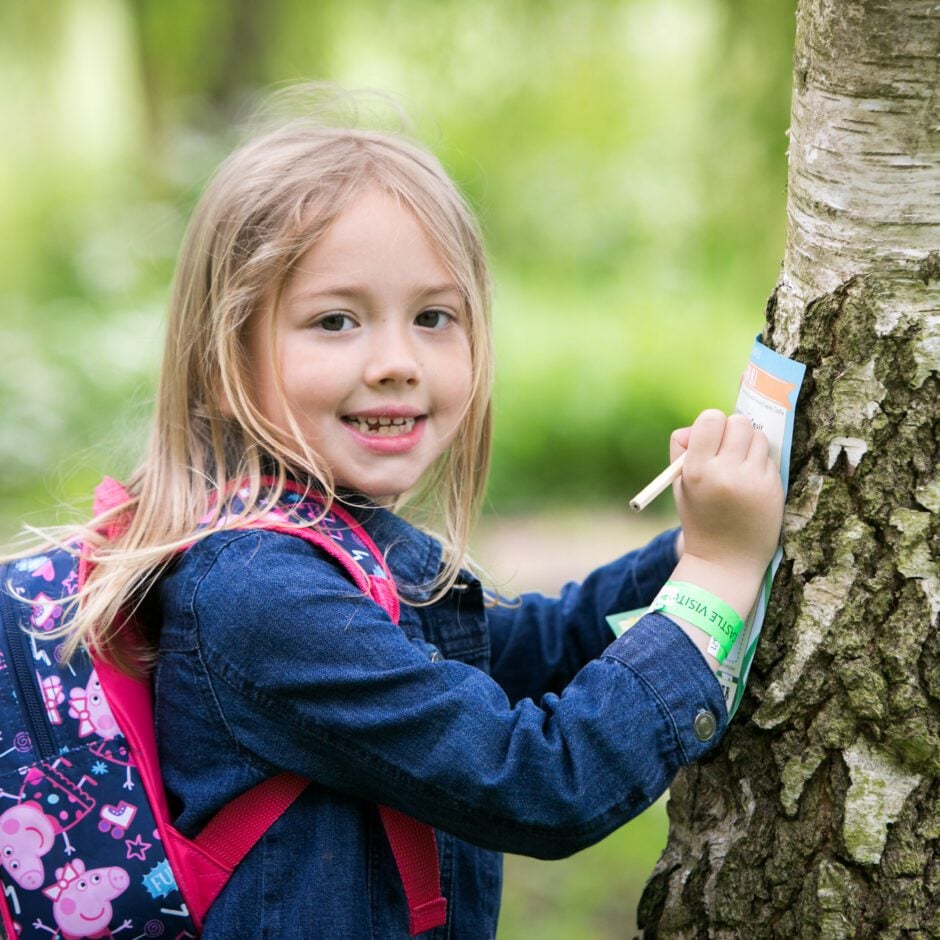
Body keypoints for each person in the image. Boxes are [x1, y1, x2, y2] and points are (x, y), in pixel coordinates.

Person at [44, 105, 783, 937]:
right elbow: (537, 782)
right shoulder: (260, 594)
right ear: (225, 358)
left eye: (433, 317)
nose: (397, 362)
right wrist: (716, 581)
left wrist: (692, 552)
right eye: (336, 321)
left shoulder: (341, 544)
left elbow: (526, 653)